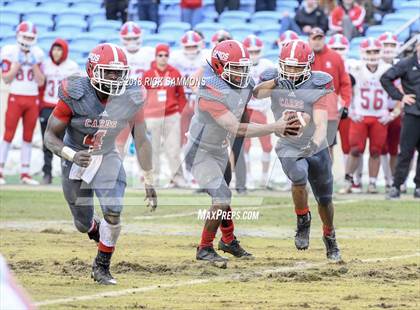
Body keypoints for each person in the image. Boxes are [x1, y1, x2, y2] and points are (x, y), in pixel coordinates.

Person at [44, 43, 157, 284]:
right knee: (82, 223)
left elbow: (142, 138)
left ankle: (102, 266)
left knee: (114, 210)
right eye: (109, 71)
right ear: (93, 70)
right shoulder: (75, 92)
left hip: (106, 155)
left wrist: (148, 178)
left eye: (119, 72)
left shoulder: (131, 95)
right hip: (75, 155)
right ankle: (95, 229)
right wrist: (70, 155)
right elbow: (49, 137)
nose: (115, 78)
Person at [187, 40, 296, 263]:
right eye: (235, 68)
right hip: (200, 152)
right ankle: (204, 248)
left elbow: (245, 107)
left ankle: (228, 240)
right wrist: (274, 127)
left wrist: (280, 80)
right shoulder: (210, 89)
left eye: (243, 67)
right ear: (219, 67)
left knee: (223, 196)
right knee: (221, 196)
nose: (241, 73)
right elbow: (234, 126)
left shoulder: (244, 83)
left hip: (219, 150)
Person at [253, 39, 341, 262]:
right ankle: (303, 220)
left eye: (296, 67)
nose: (291, 72)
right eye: (287, 66)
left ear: (309, 65)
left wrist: (315, 143)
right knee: (298, 177)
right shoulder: (272, 77)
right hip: (288, 143)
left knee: (325, 199)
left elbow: (321, 123)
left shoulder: (318, 83)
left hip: (315, 145)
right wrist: (276, 82)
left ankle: (329, 235)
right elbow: (256, 94)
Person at [342, 38, 394, 194]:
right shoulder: (355, 68)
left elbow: (399, 92)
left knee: (376, 150)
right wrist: (349, 110)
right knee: (355, 149)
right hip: (361, 115)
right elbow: (344, 90)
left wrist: (392, 113)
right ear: (362, 52)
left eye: (376, 51)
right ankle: (348, 181)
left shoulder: (388, 69)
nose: (372, 54)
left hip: (379, 116)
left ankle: (372, 183)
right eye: (369, 51)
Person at [0, 21, 45, 185]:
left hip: (32, 97)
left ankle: (25, 173)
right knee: (8, 134)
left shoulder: (38, 53)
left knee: (28, 136)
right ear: (18, 35)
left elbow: (41, 82)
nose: (27, 39)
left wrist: (33, 65)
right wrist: (17, 65)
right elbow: (6, 78)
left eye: (30, 37)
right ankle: (0, 171)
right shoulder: (9, 51)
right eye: (25, 36)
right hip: (15, 95)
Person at [143, 44, 187, 187]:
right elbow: (142, 96)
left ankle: (178, 179)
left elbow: (181, 95)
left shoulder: (175, 73)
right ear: (155, 57)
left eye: (165, 55)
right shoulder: (148, 74)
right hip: (153, 117)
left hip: (171, 116)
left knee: (173, 149)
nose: (163, 58)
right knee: (153, 149)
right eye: (160, 55)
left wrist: (179, 112)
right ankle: (153, 178)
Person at [381, 38, 420, 199]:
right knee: (405, 152)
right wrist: (400, 97)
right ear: (417, 47)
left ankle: (419, 186)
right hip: (412, 113)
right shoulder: (406, 63)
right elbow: (385, 78)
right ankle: (396, 186)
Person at [39, 38, 80, 184]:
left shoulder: (72, 66)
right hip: (47, 105)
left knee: (65, 141)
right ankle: (47, 173)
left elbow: (77, 89)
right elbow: (40, 84)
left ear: (65, 51)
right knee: (47, 142)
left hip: (64, 107)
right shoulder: (45, 65)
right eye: (54, 49)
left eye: (59, 49)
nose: (56, 52)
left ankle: (66, 173)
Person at [308, 28, 352, 163]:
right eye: (314, 38)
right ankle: (306, 179)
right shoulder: (304, 57)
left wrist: (345, 103)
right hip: (308, 108)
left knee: (328, 145)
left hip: (330, 110)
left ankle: (326, 178)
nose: (317, 42)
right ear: (309, 40)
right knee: (307, 144)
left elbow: (345, 82)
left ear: (324, 39)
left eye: (320, 38)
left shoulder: (335, 57)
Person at [115, 21, 154, 157]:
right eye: (128, 38)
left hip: (143, 104)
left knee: (144, 143)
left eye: (134, 38)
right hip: (122, 102)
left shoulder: (150, 53)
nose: (131, 41)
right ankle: (117, 172)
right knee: (119, 142)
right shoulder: (117, 53)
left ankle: (146, 175)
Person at [242, 35, 275, 188]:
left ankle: (263, 178)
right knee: (245, 145)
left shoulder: (268, 65)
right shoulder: (240, 65)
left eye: (256, 51)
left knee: (267, 145)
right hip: (247, 109)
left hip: (262, 108)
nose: (254, 54)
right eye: (251, 51)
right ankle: (248, 177)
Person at [377, 32, 402, 191]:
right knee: (381, 147)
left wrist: (397, 111)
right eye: (385, 45)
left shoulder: (403, 64)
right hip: (378, 109)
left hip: (399, 108)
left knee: (398, 147)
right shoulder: (371, 64)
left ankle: (397, 179)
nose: (388, 48)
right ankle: (387, 179)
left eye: (391, 45)